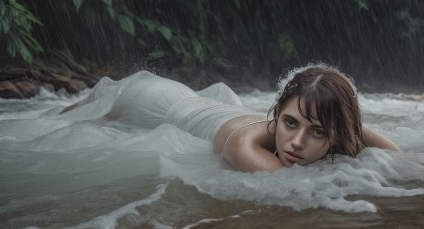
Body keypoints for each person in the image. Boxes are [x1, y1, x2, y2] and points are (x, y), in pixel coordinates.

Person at [60, 63, 399, 172]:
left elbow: (397, 157)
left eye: (317, 132)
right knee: (84, 111)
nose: (296, 142)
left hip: (210, 107)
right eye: (290, 123)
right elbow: (300, 188)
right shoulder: (244, 146)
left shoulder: (320, 129)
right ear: (277, 114)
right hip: (153, 104)